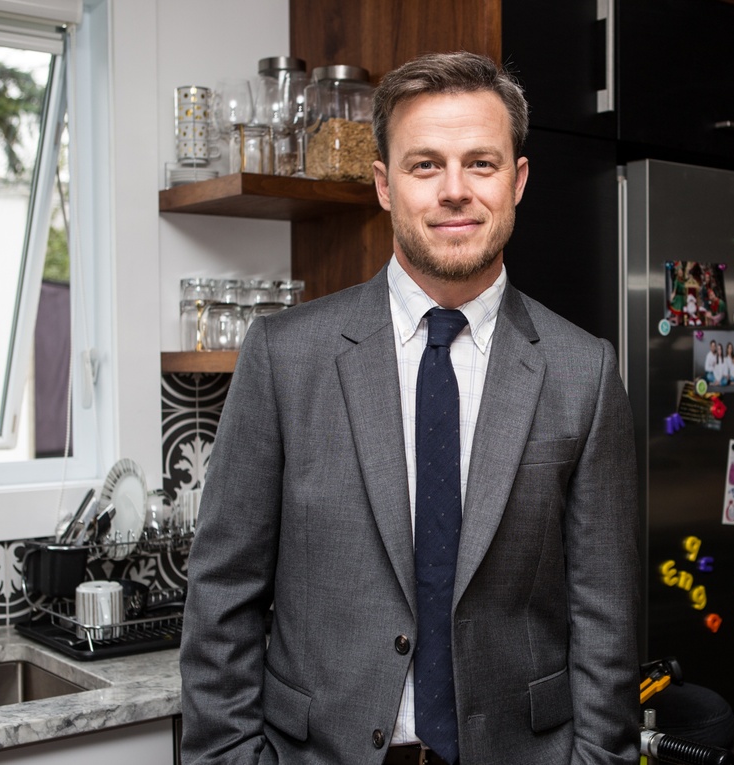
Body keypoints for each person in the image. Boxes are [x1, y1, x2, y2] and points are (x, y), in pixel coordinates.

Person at [179, 51, 641, 765]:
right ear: (384, 185)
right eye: (425, 165)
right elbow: (222, 597)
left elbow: (605, 619)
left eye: (481, 164)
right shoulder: (283, 356)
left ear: (516, 182)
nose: (455, 191)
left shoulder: (583, 370)